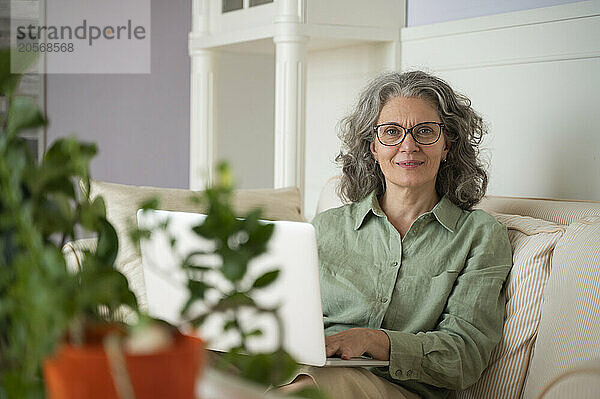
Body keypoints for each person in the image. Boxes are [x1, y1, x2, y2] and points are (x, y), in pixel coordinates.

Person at [280, 71, 512, 399]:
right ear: (372, 146)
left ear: (447, 145)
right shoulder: (324, 228)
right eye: (392, 132)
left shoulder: (480, 236)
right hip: (311, 368)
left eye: (425, 132)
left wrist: (373, 340)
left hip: (397, 390)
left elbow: (464, 356)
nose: (408, 145)